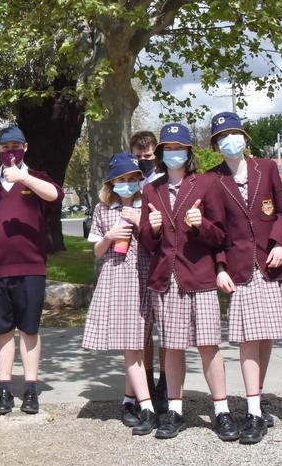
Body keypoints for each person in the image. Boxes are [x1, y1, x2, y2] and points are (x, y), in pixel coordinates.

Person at [138, 122, 232, 441]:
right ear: (161, 153)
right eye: (168, 148)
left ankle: (221, 410)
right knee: (172, 347)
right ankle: (175, 410)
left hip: (200, 276)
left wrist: (200, 225)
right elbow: (147, 244)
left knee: (208, 346)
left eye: (179, 148)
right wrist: (151, 228)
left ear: (189, 151)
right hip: (167, 279)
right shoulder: (151, 189)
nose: (173, 153)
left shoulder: (207, 184)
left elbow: (221, 235)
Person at [207, 111, 282, 444]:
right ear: (216, 145)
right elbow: (215, 232)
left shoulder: (267, 168)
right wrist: (220, 267)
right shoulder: (212, 179)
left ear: (245, 138)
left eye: (234, 134)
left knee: (266, 335)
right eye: (222, 137)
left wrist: (281, 243)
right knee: (248, 339)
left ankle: (256, 397)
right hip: (239, 268)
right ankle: (254, 413)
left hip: (270, 263)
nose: (229, 141)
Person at [0, 127, 63, 415]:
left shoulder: (37, 178)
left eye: (15, 145)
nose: (10, 151)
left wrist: (23, 178)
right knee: (2, 331)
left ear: (25, 147)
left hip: (30, 268)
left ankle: (30, 389)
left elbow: (55, 195)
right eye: (5, 146)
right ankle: (4, 389)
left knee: (29, 330)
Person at [82, 153, 158, 434]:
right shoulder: (103, 209)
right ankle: (146, 407)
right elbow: (97, 251)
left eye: (132, 178)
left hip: (142, 277)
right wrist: (109, 236)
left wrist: (140, 221)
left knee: (137, 342)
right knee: (130, 344)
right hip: (116, 277)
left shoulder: (148, 204)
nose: (127, 183)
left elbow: (158, 243)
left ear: (139, 180)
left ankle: (129, 400)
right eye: (121, 179)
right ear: (112, 182)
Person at [128, 129, 167, 413]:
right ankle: (148, 381)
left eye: (149, 155)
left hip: (161, 258)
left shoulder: (164, 180)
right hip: (134, 262)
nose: (144, 159)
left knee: (166, 326)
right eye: (138, 156)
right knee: (143, 329)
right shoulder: (128, 182)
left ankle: (166, 382)